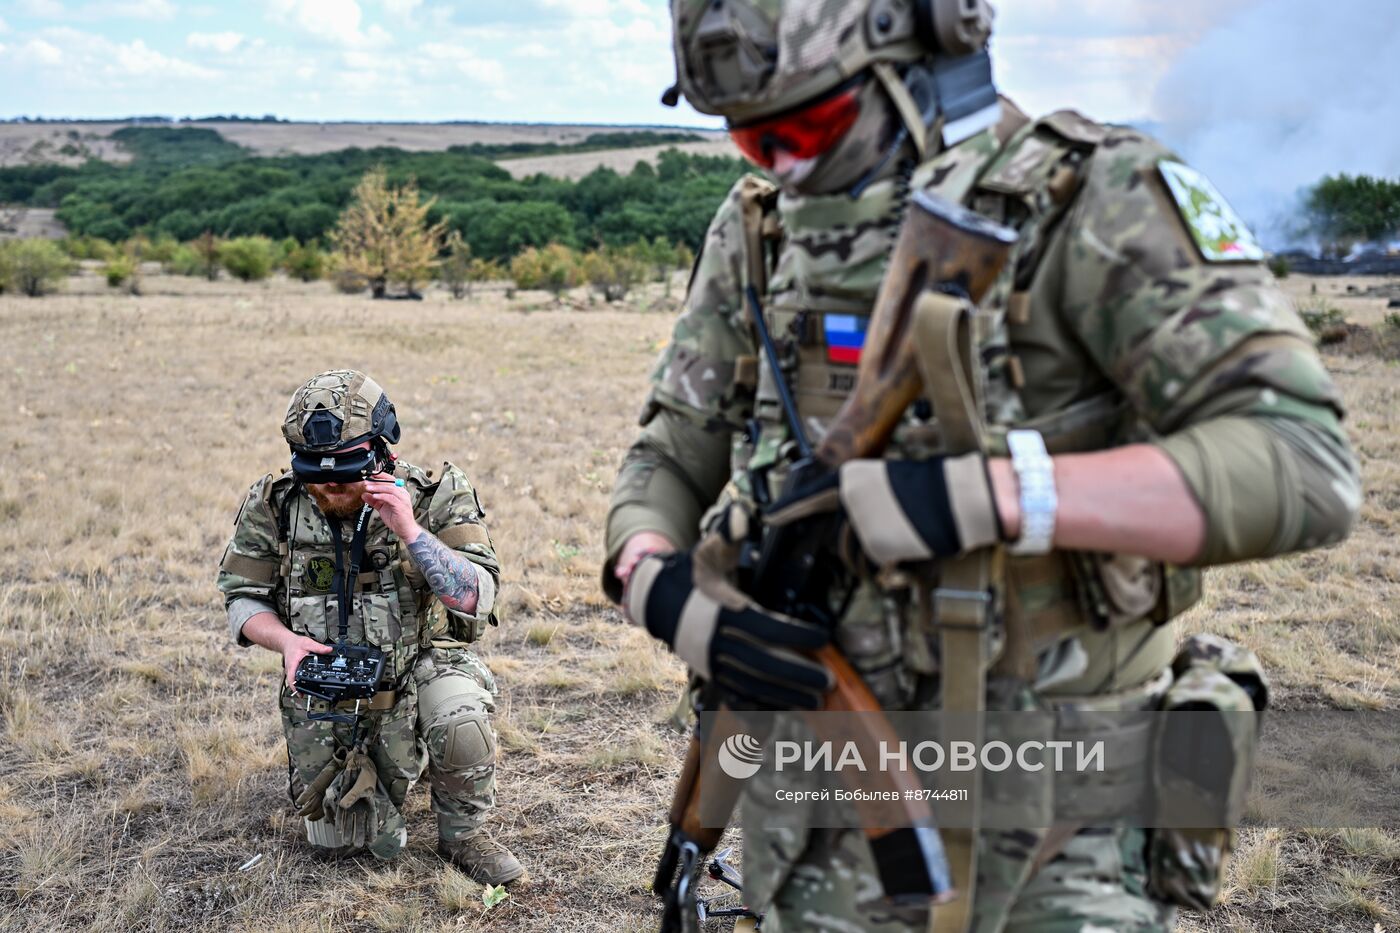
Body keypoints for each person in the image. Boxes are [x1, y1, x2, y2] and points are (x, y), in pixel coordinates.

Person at [603, 1, 1359, 930]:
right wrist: (659, 586)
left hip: (1052, 836)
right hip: (810, 821)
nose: (786, 167)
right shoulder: (759, 229)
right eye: (755, 144)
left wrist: (993, 496)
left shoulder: (1094, 199)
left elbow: (1302, 460)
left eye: (809, 128)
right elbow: (671, 448)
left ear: (932, 50)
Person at [217, 369, 523, 885]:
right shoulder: (273, 503)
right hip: (328, 683)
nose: (331, 484)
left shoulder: (435, 493)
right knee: (340, 846)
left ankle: (465, 833)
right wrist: (287, 642)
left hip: (421, 662)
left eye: (347, 468)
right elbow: (241, 599)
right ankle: (396, 763)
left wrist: (409, 528)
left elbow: (476, 596)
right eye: (316, 471)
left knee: (460, 723)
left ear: (381, 449)